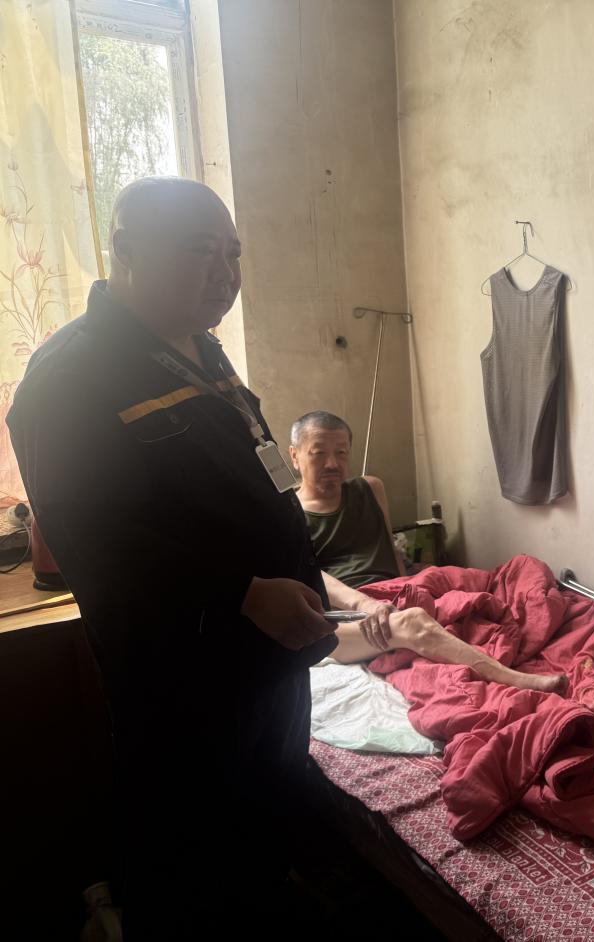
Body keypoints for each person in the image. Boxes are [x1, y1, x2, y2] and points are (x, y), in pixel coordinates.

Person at [7, 177, 339, 938]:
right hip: (186, 681)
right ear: (125, 250)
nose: (225, 273)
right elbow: (97, 543)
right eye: (200, 251)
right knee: (193, 863)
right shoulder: (70, 377)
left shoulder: (200, 347)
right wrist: (240, 592)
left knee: (263, 837)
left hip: (268, 661)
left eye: (233, 254)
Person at [290, 410, 566, 692]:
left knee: (517, 575)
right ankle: (516, 680)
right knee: (412, 623)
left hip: (393, 596)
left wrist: (411, 588)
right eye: (318, 453)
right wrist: (364, 604)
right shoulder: (289, 514)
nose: (332, 463)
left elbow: (389, 548)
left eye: (341, 453)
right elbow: (311, 578)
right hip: (342, 622)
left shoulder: (370, 489)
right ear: (295, 456)